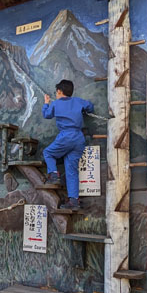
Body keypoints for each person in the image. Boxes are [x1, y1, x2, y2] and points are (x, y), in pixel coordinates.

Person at [42, 79, 94, 210]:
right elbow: (90, 107)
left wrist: (46, 103)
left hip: (66, 136)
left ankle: (53, 175)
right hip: (79, 138)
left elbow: (46, 115)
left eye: (56, 92)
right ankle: (74, 200)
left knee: (48, 153)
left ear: (59, 91)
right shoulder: (78, 101)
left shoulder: (56, 104)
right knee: (71, 170)